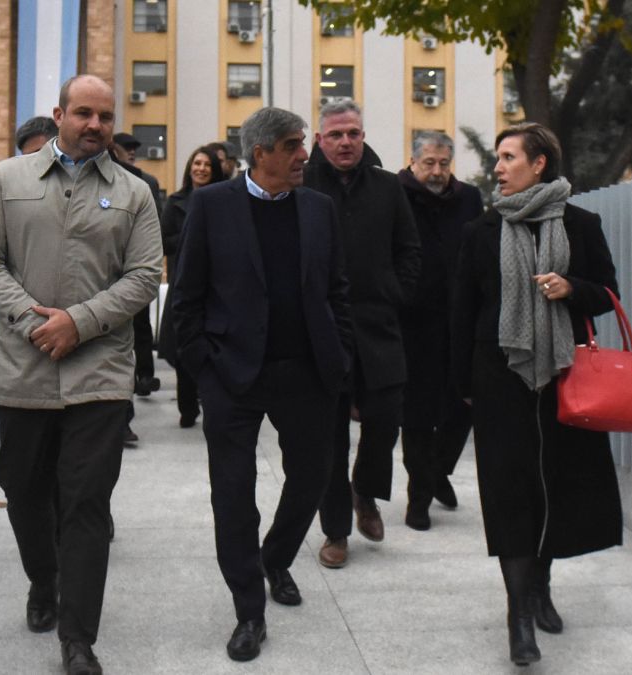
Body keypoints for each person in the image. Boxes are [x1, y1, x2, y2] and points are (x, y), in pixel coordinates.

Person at [0, 74, 163, 675]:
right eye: (83, 113)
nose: (95, 126)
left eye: (104, 116)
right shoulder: (8, 179)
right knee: (24, 490)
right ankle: (43, 580)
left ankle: (78, 640)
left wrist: (79, 322)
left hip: (99, 373)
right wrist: (34, 321)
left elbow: (145, 275)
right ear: (59, 115)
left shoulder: (134, 194)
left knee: (86, 505)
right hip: (23, 369)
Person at [172, 107, 352, 662]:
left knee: (313, 477)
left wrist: (339, 354)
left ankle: (275, 558)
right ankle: (249, 609)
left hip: (306, 374)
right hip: (232, 376)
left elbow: (337, 290)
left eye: (303, 144)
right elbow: (187, 294)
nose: (305, 154)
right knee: (233, 494)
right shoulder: (212, 205)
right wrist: (205, 365)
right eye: (295, 145)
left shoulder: (319, 208)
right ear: (262, 152)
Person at [451, 122, 622, 666]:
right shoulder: (480, 231)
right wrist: (460, 386)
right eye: (498, 158)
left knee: (556, 485)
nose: (498, 167)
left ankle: (539, 585)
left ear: (539, 163)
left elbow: (608, 294)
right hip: (498, 376)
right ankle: (517, 616)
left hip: (565, 376)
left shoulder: (580, 224)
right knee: (509, 492)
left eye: (508, 157)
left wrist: (573, 288)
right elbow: (460, 315)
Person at [304, 99, 420, 569]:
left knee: (385, 421)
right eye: (335, 135)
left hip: (379, 327)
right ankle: (335, 531)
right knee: (328, 437)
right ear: (319, 140)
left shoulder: (388, 187)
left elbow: (410, 249)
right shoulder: (302, 185)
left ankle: (366, 491)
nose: (346, 142)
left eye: (353, 133)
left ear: (363, 135)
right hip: (323, 331)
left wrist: (395, 292)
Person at [397, 131, 483, 529]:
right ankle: (419, 497)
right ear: (413, 162)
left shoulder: (468, 198)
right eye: (429, 163)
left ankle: (437, 472)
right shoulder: (395, 194)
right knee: (416, 414)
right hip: (410, 321)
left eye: (444, 164)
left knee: (461, 404)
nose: (437, 172)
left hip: (459, 318)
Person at [157, 145, 226, 428]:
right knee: (183, 346)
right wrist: (194, 240)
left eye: (207, 164)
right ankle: (187, 407)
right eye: (197, 163)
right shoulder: (174, 202)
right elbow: (164, 241)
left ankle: (212, 403)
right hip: (184, 281)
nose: (201, 168)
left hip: (219, 285)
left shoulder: (225, 201)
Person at [111, 132, 164, 403]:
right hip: (109, 272)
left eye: (135, 148)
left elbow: (156, 225)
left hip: (137, 268)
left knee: (141, 325)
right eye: (127, 147)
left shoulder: (146, 182)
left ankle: (145, 376)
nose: (132, 152)